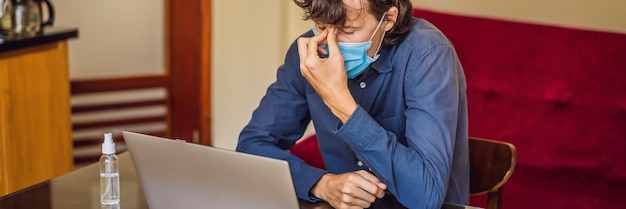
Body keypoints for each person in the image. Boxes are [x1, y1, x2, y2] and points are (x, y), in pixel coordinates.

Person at [236, 0, 469, 208]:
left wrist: (341, 103)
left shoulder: (428, 54)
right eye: (322, 26)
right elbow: (252, 146)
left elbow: (426, 197)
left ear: (388, 19)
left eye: (347, 31)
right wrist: (322, 184)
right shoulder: (308, 53)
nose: (331, 44)